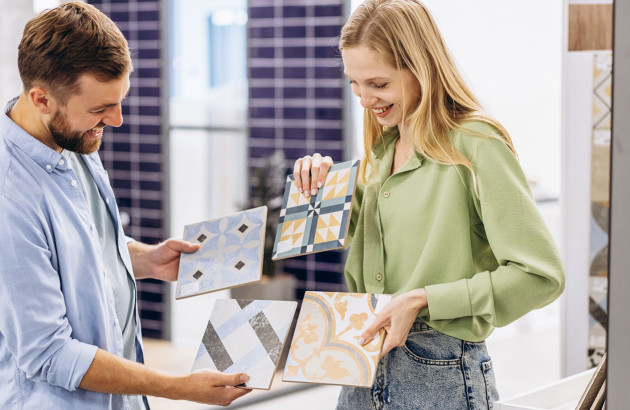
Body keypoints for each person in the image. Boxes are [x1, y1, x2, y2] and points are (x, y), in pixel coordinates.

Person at [293, 0, 565, 408]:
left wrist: (423, 299)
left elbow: (541, 275)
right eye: (355, 83)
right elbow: (346, 237)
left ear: (421, 68)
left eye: (379, 84)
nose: (364, 99)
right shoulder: (382, 150)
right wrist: (317, 189)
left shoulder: (475, 144)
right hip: (360, 364)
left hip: (439, 370)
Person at [0, 3, 250, 408]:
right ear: (41, 99)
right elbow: (47, 352)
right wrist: (179, 387)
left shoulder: (73, 138)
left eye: (119, 101)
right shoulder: (9, 196)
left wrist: (146, 259)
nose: (116, 120)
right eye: (100, 109)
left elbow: (78, 250)